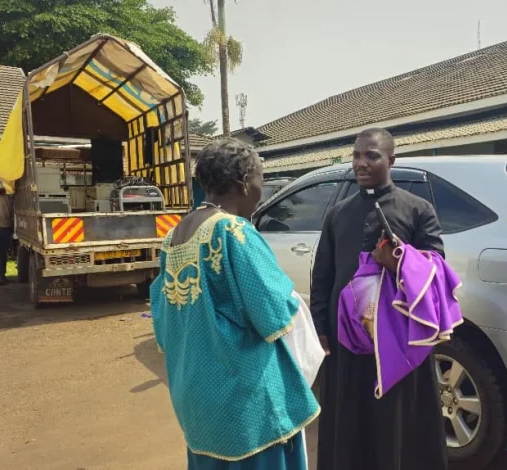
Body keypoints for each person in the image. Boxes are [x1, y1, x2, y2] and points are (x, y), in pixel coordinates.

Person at [150, 138, 319, 470]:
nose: (262, 189)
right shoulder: (233, 231)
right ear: (244, 181)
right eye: (260, 178)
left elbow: (163, 322)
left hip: (195, 393)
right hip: (242, 399)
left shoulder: (173, 237)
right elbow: (275, 312)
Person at [312, 128, 448, 470]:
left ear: (391, 160)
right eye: (357, 156)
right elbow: (323, 275)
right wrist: (319, 325)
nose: (361, 163)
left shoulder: (418, 210)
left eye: (371, 156)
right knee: (350, 414)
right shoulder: (338, 213)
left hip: (398, 338)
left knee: (396, 417)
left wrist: (399, 261)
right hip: (346, 337)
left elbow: (436, 271)